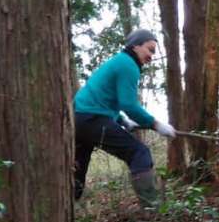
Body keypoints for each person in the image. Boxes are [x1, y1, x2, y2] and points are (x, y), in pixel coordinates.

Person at [73, 29, 177, 205]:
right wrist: (155, 124)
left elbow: (104, 98)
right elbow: (128, 104)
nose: (151, 56)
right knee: (139, 152)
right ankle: (152, 209)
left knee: (78, 169)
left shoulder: (119, 62)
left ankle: (66, 210)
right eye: (149, 49)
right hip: (92, 119)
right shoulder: (128, 64)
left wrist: (122, 120)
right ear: (135, 46)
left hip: (79, 119)